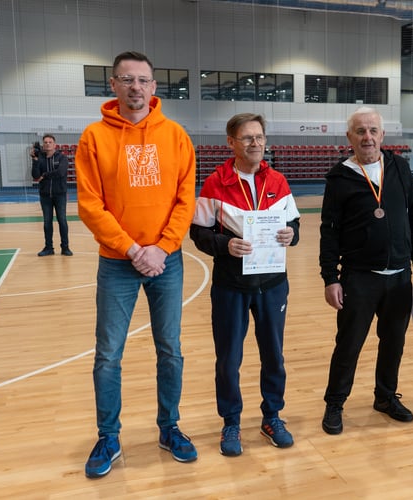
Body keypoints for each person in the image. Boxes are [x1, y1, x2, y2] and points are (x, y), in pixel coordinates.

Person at [75, 51, 198, 478]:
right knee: (108, 355)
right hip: (117, 263)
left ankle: (169, 427)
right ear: (113, 85)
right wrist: (131, 249)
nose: (135, 87)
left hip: (167, 261)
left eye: (143, 80)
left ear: (154, 87)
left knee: (171, 350)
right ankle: (108, 436)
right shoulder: (94, 137)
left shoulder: (176, 136)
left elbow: (186, 199)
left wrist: (162, 248)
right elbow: (90, 205)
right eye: (127, 79)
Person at [190, 113, 300, 457]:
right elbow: (198, 232)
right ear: (231, 143)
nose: (255, 143)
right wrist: (225, 245)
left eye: (259, 137)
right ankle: (231, 421)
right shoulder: (215, 184)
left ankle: (272, 416)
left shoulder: (278, 181)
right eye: (247, 137)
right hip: (231, 286)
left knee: (274, 356)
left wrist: (292, 234)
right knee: (228, 359)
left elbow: (294, 224)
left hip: (273, 284)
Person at [319, 106, 413, 435]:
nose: (367, 137)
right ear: (349, 137)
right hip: (359, 278)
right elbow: (329, 232)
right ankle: (335, 403)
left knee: (394, 342)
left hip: (399, 277)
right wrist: (330, 278)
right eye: (360, 131)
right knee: (349, 344)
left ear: (382, 135)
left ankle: (385, 397)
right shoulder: (339, 178)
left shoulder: (399, 167)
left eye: (373, 131)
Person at [31, 134, 72, 256]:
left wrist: (45, 175)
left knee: (62, 220)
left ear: (54, 145)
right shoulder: (40, 158)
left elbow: (61, 172)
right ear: (43, 145)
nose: (47, 144)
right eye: (45, 142)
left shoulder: (62, 158)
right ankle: (49, 248)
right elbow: (35, 175)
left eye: (50, 142)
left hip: (60, 195)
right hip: (45, 195)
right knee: (47, 222)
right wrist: (35, 160)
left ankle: (65, 247)